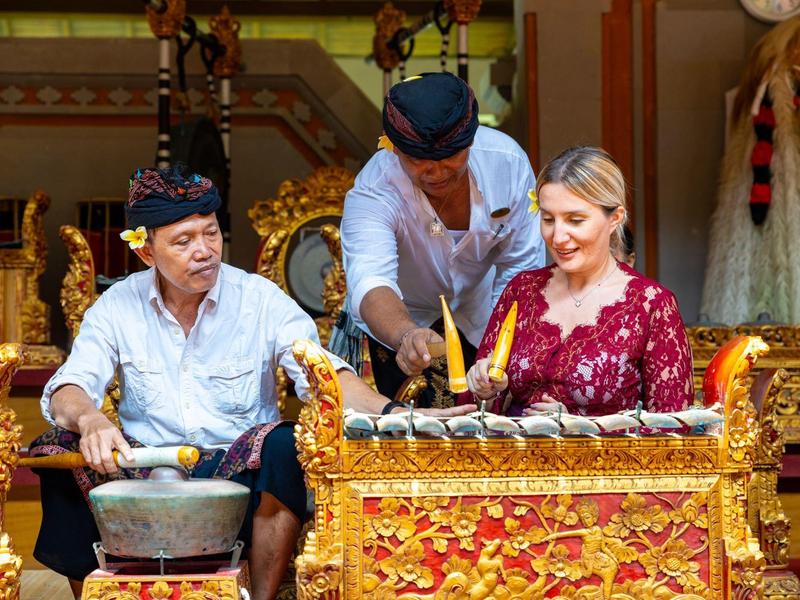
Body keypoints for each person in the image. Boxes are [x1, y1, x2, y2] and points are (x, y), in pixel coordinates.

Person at [31, 166, 471, 600]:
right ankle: (98, 594)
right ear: (147, 252)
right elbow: (69, 385)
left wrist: (399, 415)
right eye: (183, 242)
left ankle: (260, 595)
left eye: (211, 234)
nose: (204, 250)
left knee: (283, 444)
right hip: (145, 478)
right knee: (57, 446)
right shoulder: (117, 306)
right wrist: (90, 420)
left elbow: (325, 377)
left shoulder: (258, 299)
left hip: (240, 486)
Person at [337, 72, 545, 408]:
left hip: (486, 314)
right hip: (400, 323)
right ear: (394, 149)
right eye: (417, 161)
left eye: (450, 157)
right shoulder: (373, 190)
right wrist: (406, 335)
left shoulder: (507, 164)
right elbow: (371, 281)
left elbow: (521, 269)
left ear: (471, 141)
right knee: (401, 438)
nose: (435, 173)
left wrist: (498, 348)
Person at [465, 146, 693, 416]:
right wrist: (487, 391)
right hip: (516, 457)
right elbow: (476, 412)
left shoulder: (651, 305)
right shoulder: (522, 290)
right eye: (548, 219)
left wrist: (580, 429)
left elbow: (674, 429)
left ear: (615, 218)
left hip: (605, 459)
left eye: (575, 220)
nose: (558, 236)